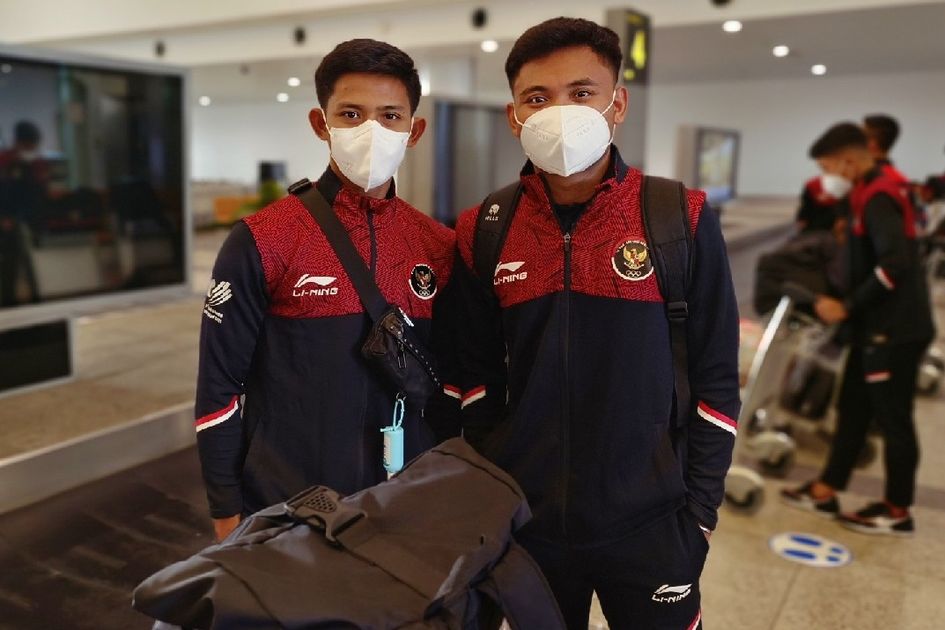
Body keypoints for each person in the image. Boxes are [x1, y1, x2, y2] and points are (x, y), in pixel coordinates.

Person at [448, 17, 740, 629]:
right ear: (514, 117)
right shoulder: (484, 228)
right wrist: (494, 483)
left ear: (618, 104)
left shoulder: (678, 216)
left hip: (654, 521)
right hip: (529, 524)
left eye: (581, 92)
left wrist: (700, 514)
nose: (560, 112)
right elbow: (474, 375)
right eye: (537, 97)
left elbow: (716, 376)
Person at [195, 39, 457, 542]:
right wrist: (226, 510)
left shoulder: (436, 245)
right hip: (285, 505)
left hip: (405, 502)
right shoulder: (264, 239)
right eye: (351, 114)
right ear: (321, 124)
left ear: (414, 130)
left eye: (390, 116)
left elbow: (449, 381)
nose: (371, 130)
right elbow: (218, 386)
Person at [781, 122, 935, 535]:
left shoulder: (880, 196)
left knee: (893, 419)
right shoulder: (869, 190)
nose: (825, 177)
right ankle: (827, 489)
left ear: (848, 161)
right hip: (871, 328)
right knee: (852, 408)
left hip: (894, 331)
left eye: (827, 167)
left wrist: (846, 306)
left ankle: (897, 510)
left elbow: (893, 266)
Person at [0, 120, 46, 305]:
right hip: (8, 221)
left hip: (31, 219)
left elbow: (39, 192)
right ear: (19, 142)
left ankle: (37, 301)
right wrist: (4, 217)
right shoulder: (5, 161)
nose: (32, 149)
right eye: (29, 145)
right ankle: (9, 304)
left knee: (34, 265)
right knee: (10, 265)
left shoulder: (37, 163)